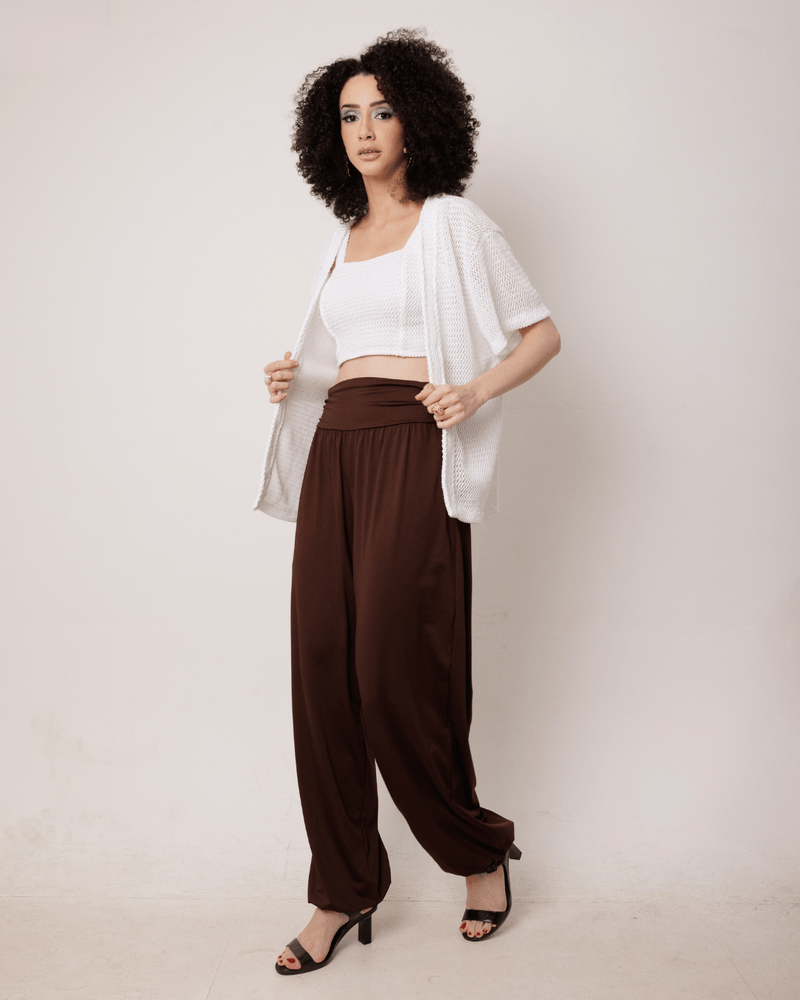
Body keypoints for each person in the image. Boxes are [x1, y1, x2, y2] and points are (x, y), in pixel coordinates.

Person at [254, 28, 561, 976]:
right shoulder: (341, 241)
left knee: (394, 669)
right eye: (348, 115)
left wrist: (472, 392)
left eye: (382, 111)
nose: (364, 129)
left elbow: (541, 334)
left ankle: (477, 851)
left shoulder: (454, 223)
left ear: (417, 121)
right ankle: (340, 889)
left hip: (413, 446)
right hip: (337, 445)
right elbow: (350, 359)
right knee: (321, 670)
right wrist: (298, 381)